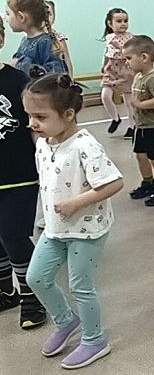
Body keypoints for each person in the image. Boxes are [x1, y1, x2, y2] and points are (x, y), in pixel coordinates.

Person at [23, 74, 124, 369]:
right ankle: (66, 321)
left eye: (40, 117)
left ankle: (95, 340)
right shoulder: (43, 143)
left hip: (86, 230)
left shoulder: (85, 145)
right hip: (55, 228)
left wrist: (75, 203)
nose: (32, 123)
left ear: (68, 115)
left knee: (81, 286)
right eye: (29, 116)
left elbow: (114, 183)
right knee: (36, 278)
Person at [0, 17, 47, 330]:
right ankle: (6, 290)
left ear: (1, 39)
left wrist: (46, 164)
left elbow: (36, 126)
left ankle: (33, 296)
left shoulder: (17, 81)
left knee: (14, 234)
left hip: (19, 173)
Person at [124, 35, 154, 206]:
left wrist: (140, 104)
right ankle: (148, 183)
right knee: (140, 155)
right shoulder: (138, 76)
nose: (127, 62)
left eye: (129, 58)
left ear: (144, 57)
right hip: (141, 126)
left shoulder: (153, 78)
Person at [5, 0, 66, 76]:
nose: (6, 18)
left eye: (8, 14)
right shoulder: (25, 41)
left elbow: (56, 72)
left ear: (21, 17)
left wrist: (20, 64)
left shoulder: (45, 42)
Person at [100, 8, 135, 139]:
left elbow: (130, 54)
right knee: (105, 96)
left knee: (128, 101)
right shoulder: (109, 37)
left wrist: (120, 47)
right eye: (119, 21)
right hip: (111, 69)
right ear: (110, 23)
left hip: (125, 69)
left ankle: (132, 126)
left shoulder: (130, 37)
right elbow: (107, 53)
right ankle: (115, 118)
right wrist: (104, 65)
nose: (123, 24)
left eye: (125, 21)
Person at [45, 0, 74, 77]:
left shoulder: (59, 38)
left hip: (59, 78)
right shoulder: (33, 39)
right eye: (43, 14)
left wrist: (71, 79)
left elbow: (68, 62)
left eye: (49, 14)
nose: (47, 17)